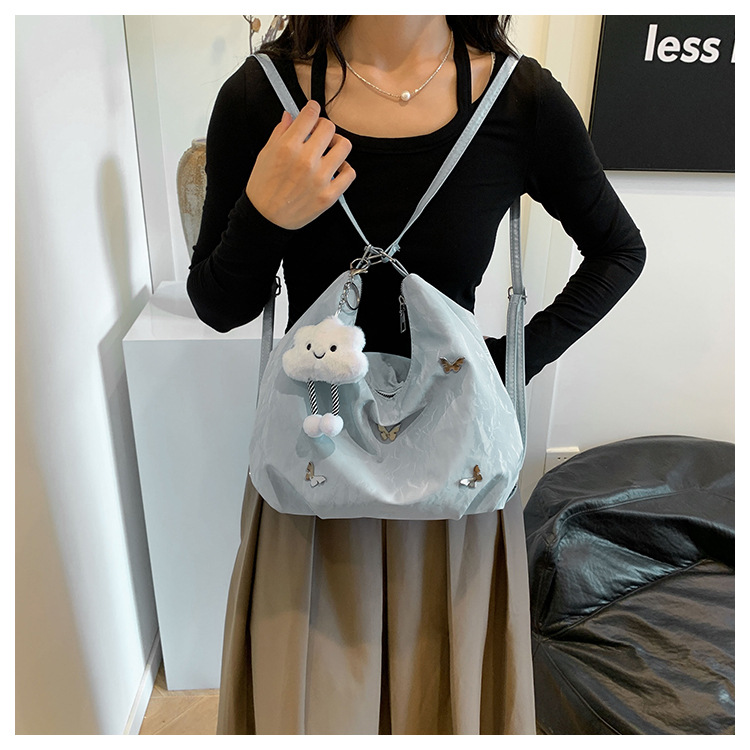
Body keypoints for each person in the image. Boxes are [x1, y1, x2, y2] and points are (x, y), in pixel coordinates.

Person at [187, 15, 646, 735]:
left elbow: (619, 250)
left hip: (452, 480)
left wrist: (506, 363)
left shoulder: (516, 99)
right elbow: (219, 305)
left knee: (443, 702)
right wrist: (265, 213)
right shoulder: (262, 95)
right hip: (315, 477)